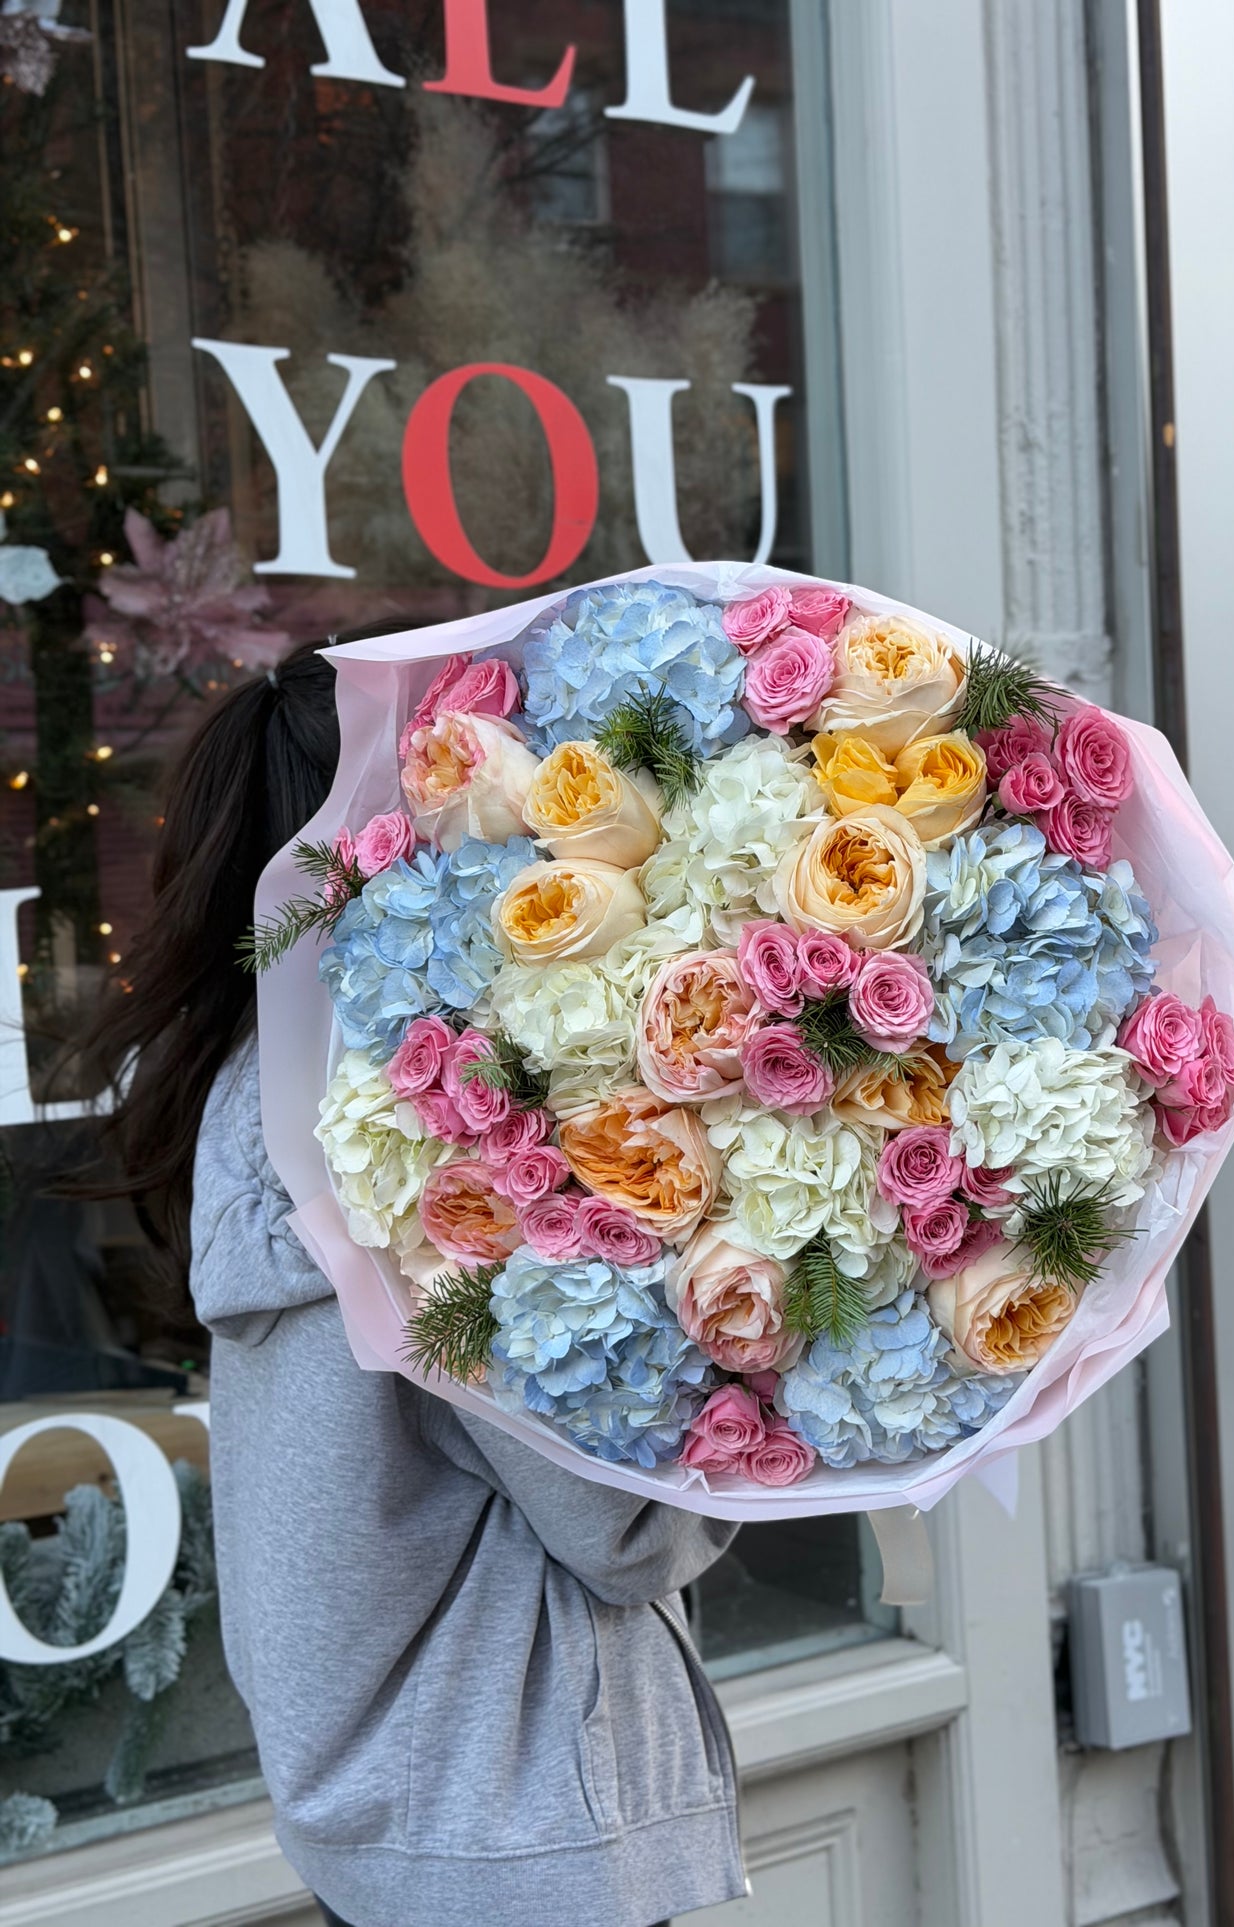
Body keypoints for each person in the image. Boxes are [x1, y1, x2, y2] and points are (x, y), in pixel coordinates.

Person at [81, 639, 746, 1927]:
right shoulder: (426, 1153)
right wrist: (738, 1427)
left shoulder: (241, 1118)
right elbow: (620, 1535)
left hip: (379, 1829)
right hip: (527, 1834)